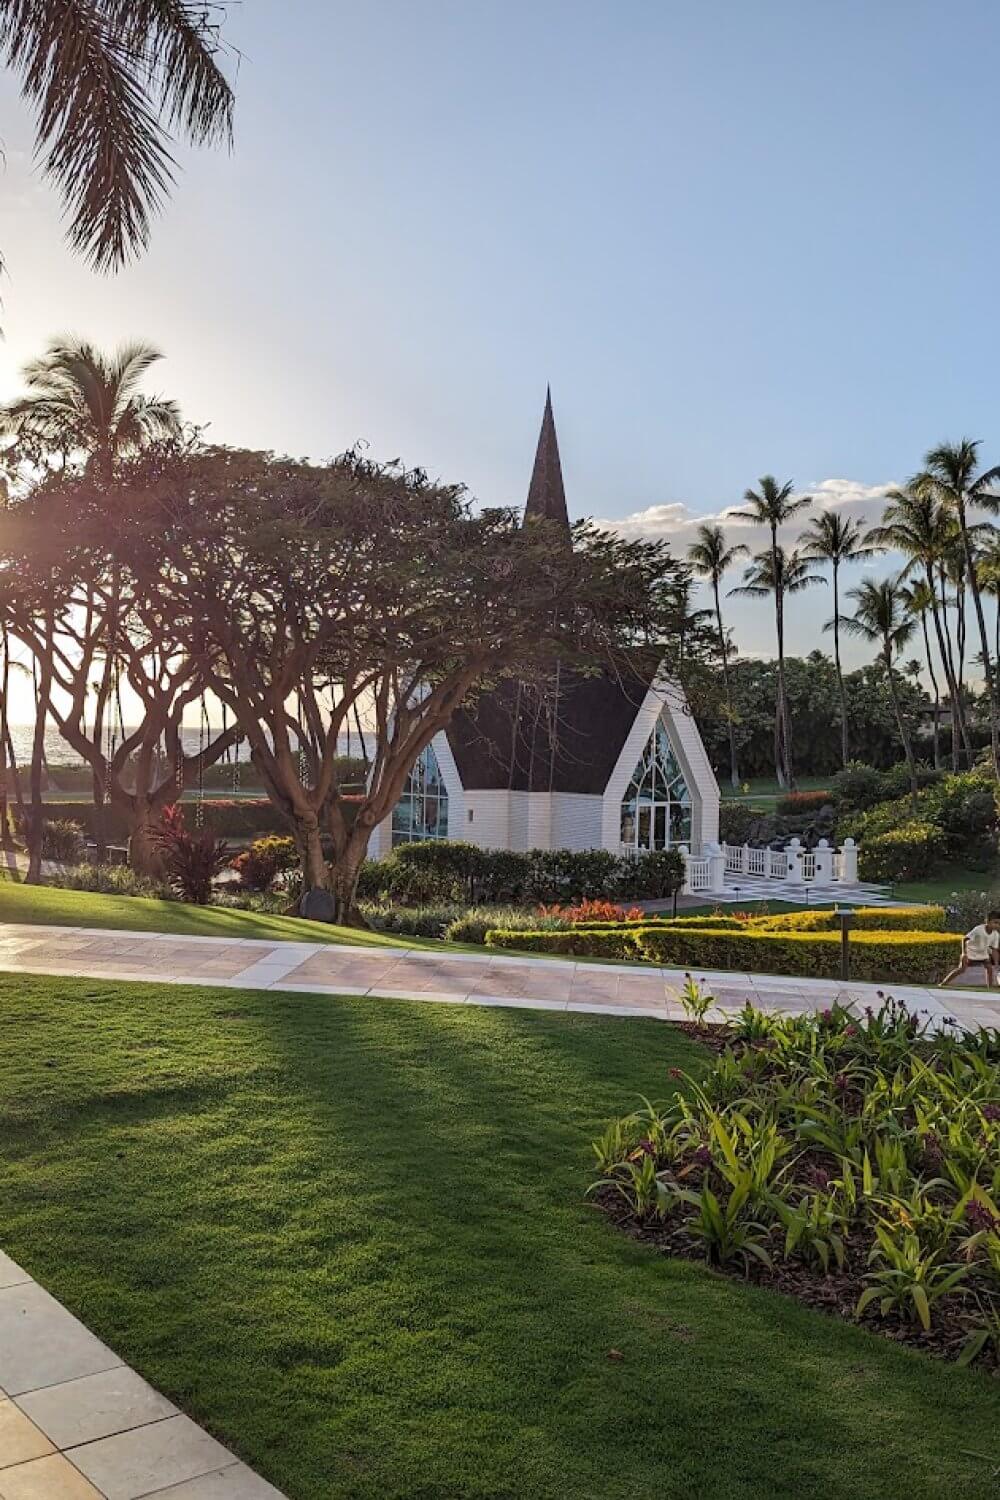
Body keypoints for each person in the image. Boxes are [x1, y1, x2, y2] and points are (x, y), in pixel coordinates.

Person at [940, 910, 1000, 989]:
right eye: (995, 922)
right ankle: (943, 984)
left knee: (989, 968)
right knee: (962, 969)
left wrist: (996, 963)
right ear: (987, 921)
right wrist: (964, 953)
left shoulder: (996, 935)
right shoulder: (978, 929)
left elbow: (994, 950)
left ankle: (990, 988)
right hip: (970, 952)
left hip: (983, 954)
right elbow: (965, 939)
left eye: (999, 923)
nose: (997, 925)